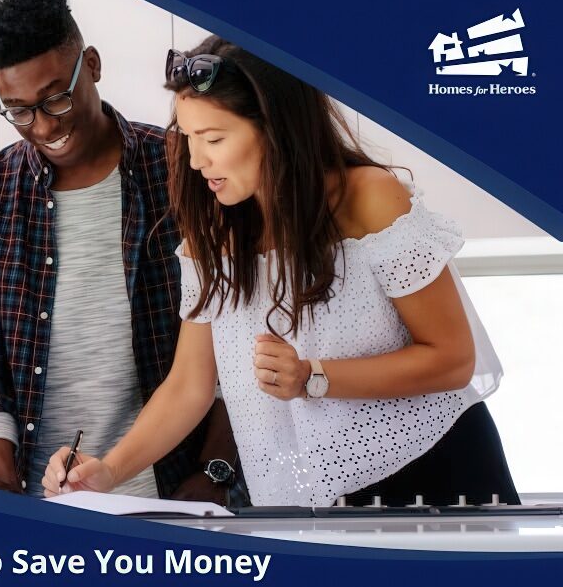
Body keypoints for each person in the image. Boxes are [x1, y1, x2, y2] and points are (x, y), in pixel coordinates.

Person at [43, 36, 520, 507]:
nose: (195, 159)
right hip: (320, 500)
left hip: (435, 471)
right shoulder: (214, 233)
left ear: (274, 129)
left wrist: (313, 377)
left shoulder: (371, 199)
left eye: (213, 139)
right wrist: (109, 471)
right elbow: (190, 385)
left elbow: (454, 359)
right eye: (188, 138)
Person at [0, 0, 246, 503]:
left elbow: (235, 336)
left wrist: (213, 475)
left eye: (55, 98)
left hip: (183, 490)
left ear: (91, 64)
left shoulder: (185, 168)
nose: (43, 126)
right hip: (47, 499)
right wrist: (0, 488)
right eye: (18, 111)